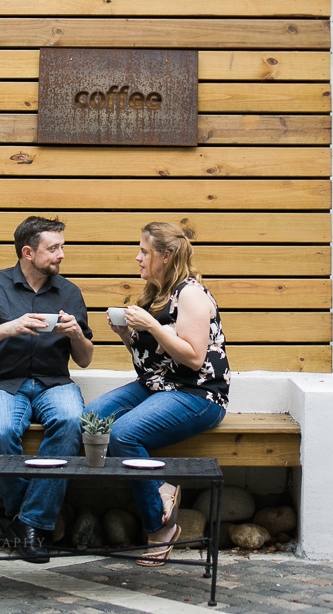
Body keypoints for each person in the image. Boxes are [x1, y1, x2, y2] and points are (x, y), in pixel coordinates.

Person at [85, 221, 230, 566]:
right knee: (94, 420)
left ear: (166, 256)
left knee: (121, 435)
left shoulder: (190, 293)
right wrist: (124, 334)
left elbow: (194, 359)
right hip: (158, 386)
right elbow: (153, 359)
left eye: (144, 251)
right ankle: (162, 487)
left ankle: (159, 527)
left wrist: (150, 325)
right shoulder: (155, 292)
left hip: (198, 393)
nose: (137, 258)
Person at [0, 215, 93, 563]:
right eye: (53, 248)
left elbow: (85, 359)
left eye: (62, 247)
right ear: (28, 253)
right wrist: (11, 327)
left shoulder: (69, 292)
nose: (61, 254)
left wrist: (76, 333)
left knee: (73, 422)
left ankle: (23, 523)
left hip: (53, 383)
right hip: (0, 383)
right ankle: (31, 523)